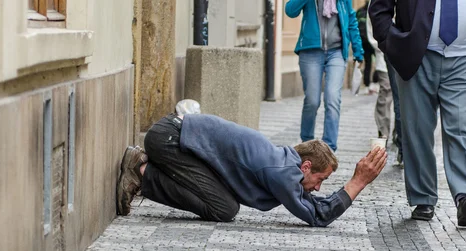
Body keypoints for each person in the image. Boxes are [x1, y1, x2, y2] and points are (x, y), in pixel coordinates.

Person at [116, 108, 388, 227]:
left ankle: (144, 169)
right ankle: (140, 171)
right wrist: (358, 182)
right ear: (305, 167)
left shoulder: (283, 162)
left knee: (226, 205)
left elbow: (310, 200)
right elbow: (318, 215)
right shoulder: (281, 172)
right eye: (319, 179)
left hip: (172, 135)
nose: (317, 187)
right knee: (223, 208)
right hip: (168, 139)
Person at [369, 0, 466, 227]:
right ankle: (423, 197)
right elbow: (379, 7)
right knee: (417, 128)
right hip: (415, 53)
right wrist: (389, 39)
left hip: (465, 55)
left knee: (460, 125)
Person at [285, 0, 364, 152]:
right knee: (312, 101)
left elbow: (351, 20)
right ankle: (307, 144)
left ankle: (329, 148)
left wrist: (357, 49)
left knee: (333, 98)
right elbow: (290, 11)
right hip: (310, 52)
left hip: (336, 52)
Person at [366, 10, 393, 142]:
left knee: (403, 98)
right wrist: (384, 45)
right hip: (384, 55)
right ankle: (384, 131)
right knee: (386, 91)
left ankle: (400, 134)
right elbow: (371, 27)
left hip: (406, 56)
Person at [356, 1, 376, 91]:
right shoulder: (373, 9)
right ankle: (372, 82)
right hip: (371, 42)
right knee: (381, 62)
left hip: (365, 42)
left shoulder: (359, 11)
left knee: (368, 64)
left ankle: (368, 83)